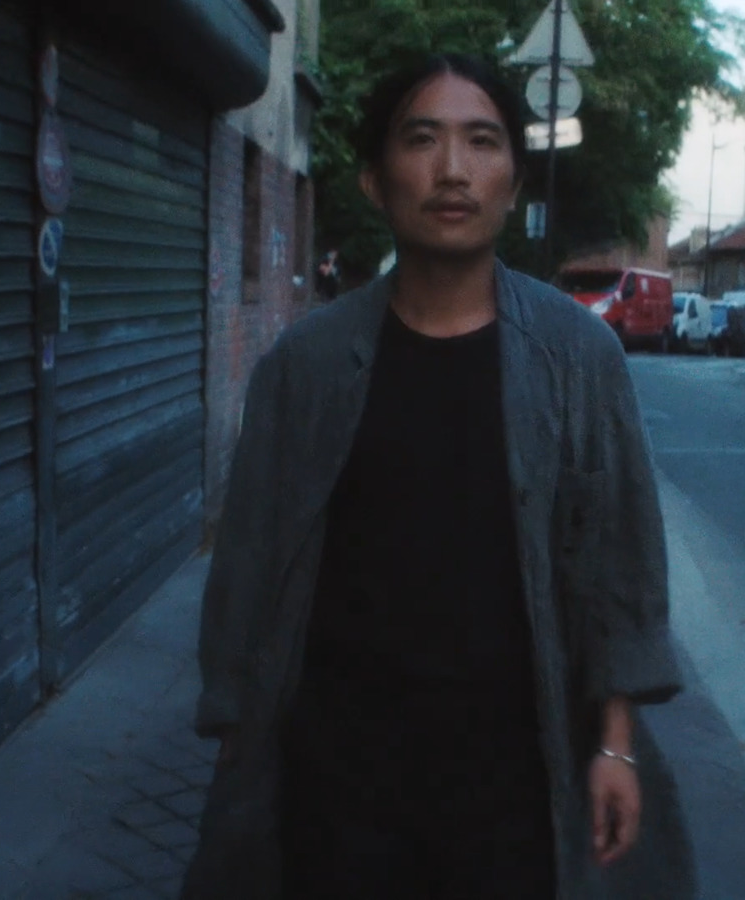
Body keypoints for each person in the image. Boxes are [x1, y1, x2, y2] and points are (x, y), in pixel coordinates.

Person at [181, 53, 687, 900]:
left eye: (482, 142)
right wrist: (238, 739)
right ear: (376, 181)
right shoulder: (303, 367)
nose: (453, 170)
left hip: (512, 778)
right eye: (423, 139)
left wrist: (614, 745)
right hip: (338, 778)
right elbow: (251, 561)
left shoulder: (576, 358)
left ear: (513, 180)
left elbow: (617, 563)